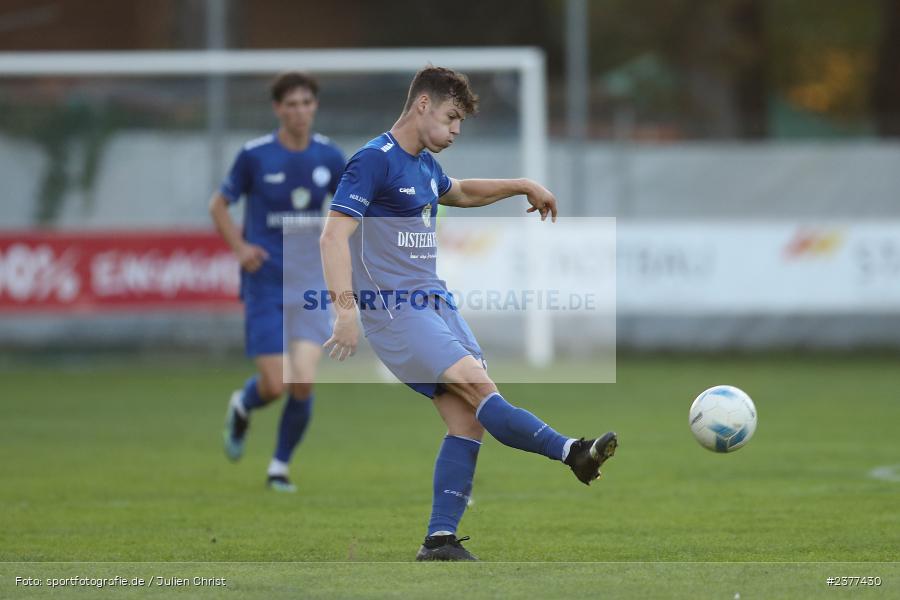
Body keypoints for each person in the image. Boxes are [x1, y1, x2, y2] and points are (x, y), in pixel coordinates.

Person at [319, 66, 617, 560]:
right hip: (395, 310)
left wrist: (522, 184)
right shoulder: (373, 161)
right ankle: (572, 452)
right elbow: (332, 236)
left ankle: (439, 539)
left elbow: (460, 192)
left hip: (434, 305)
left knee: (468, 420)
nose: (456, 130)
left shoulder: (422, 165)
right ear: (422, 106)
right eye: (451, 117)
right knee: (481, 391)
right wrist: (344, 311)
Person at [209, 71, 345, 492]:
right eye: (291, 104)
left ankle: (279, 467)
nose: (300, 111)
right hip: (265, 281)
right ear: (277, 109)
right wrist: (240, 248)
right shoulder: (255, 156)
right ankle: (243, 403)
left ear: (315, 106)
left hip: (309, 283)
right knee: (275, 383)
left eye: (306, 102)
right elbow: (219, 205)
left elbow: (347, 214)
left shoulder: (330, 157)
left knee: (302, 381)